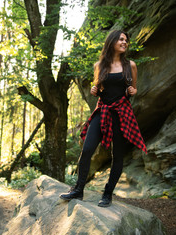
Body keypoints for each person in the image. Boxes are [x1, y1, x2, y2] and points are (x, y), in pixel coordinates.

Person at [59, 30, 147, 207]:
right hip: (103, 112)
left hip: (121, 114)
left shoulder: (131, 65)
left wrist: (132, 91)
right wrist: (94, 90)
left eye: (126, 40)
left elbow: (134, 89)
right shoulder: (100, 65)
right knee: (87, 149)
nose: (125, 42)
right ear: (112, 41)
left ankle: (107, 194)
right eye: (121, 39)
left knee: (118, 156)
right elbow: (98, 88)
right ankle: (78, 190)